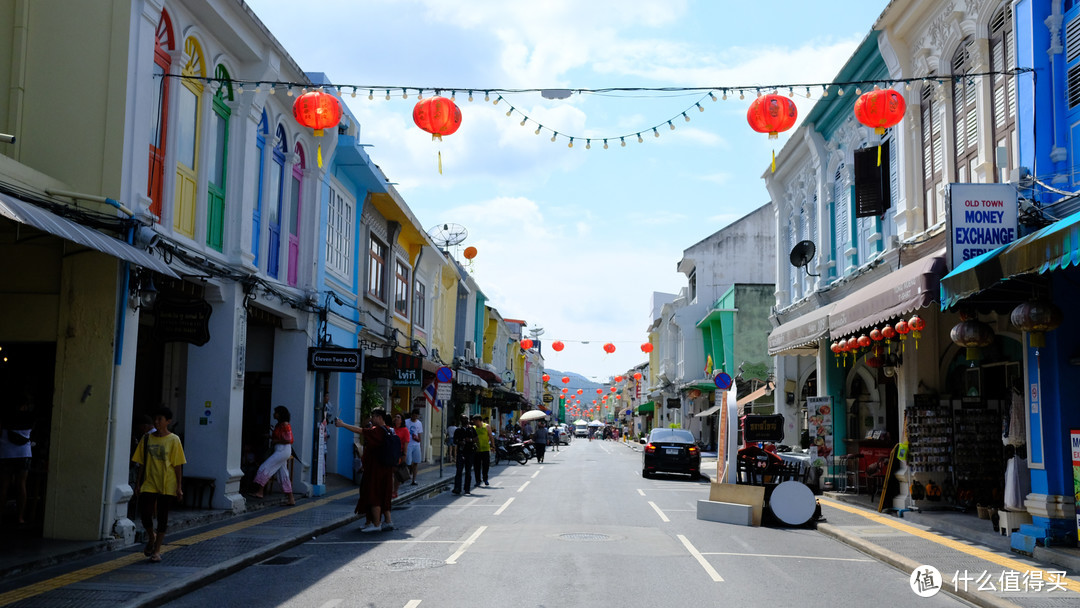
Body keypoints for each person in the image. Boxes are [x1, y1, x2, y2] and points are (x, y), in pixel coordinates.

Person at [131, 406, 185, 563]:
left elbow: (177, 465)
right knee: (146, 514)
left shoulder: (174, 440)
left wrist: (179, 487)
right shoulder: (147, 439)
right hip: (149, 482)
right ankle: (151, 536)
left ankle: (157, 550)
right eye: (155, 419)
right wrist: (138, 483)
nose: (157, 422)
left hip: (167, 483)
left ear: (168, 421)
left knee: (163, 516)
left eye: (160, 419)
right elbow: (141, 463)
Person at [335, 410, 394, 532]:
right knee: (383, 494)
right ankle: (386, 521)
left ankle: (376, 524)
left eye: (373, 416)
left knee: (374, 494)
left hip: (376, 469)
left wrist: (343, 425)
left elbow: (360, 431)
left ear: (379, 417)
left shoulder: (377, 431)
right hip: (386, 469)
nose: (372, 419)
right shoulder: (389, 430)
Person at [0, 389, 35, 526]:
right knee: (22, 485)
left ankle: (0, 515)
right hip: (24, 453)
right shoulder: (30, 417)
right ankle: (20, 517)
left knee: (3, 485)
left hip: (5, 453)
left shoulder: (5, 415)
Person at [250, 406, 295, 505]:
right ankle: (291, 499)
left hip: (282, 450)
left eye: (276, 412)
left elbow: (289, 440)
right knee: (283, 474)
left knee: (265, 467)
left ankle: (260, 492)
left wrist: (275, 440)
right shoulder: (280, 425)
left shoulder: (285, 425)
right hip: (281, 450)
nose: (274, 414)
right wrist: (271, 437)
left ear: (280, 414)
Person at [452, 415, 476, 495]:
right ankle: (457, 488)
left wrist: (470, 440)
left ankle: (467, 489)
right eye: (463, 419)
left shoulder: (471, 429)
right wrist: (460, 442)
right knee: (459, 471)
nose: (464, 420)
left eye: (465, 419)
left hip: (469, 452)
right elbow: (454, 441)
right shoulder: (458, 430)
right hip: (461, 452)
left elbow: (476, 438)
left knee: (468, 471)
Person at [392, 413, 410, 498]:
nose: (396, 418)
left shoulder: (405, 430)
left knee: (397, 474)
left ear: (402, 420)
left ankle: (395, 491)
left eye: (398, 417)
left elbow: (405, 444)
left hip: (399, 454)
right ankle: (390, 490)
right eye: (396, 417)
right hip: (390, 453)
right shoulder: (392, 429)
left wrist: (404, 457)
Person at [472, 415, 493, 487]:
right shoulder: (473, 428)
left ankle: (485, 479)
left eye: (474, 421)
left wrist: (493, 446)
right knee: (476, 466)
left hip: (485, 449)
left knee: (485, 466)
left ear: (478, 420)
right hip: (477, 450)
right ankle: (478, 480)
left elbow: (490, 436)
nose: (473, 422)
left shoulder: (486, 426)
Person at [405, 409, 423, 485]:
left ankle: (414, 480)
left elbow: (419, 435)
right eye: (414, 415)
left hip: (416, 445)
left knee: (416, 462)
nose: (415, 417)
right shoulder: (406, 422)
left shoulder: (419, 423)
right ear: (411, 414)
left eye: (417, 416)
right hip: (408, 444)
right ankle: (409, 472)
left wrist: (418, 439)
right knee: (408, 462)